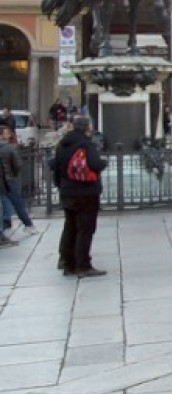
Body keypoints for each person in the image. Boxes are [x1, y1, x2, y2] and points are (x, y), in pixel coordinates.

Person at [53, 116, 107, 277]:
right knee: (85, 228)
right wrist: (103, 164)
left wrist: (62, 186)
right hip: (86, 192)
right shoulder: (86, 144)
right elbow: (95, 164)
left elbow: (56, 168)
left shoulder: (62, 144)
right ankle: (83, 264)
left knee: (70, 226)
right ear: (87, 128)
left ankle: (67, 262)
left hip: (67, 191)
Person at [0, 127, 38, 243]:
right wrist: (13, 173)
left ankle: (6, 223)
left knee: (4, 203)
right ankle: (28, 224)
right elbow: (17, 165)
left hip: (3, 180)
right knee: (17, 202)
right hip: (9, 179)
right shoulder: (9, 148)